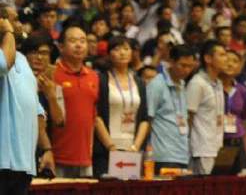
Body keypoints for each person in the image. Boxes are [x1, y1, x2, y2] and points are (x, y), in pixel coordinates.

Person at [0, 9, 51, 195]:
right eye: (14, 20)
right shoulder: (7, 57)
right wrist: (7, 31)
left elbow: (36, 108)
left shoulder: (21, 59)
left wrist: (46, 149)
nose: (20, 25)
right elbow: (3, 64)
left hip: (23, 164)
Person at [93, 37, 150, 177]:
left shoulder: (139, 82)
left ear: (132, 53)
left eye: (126, 49)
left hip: (132, 149)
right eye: (116, 49)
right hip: (107, 149)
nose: (122, 53)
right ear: (109, 54)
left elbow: (144, 119)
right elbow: (96, 116)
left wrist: (135, 147)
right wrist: (111, 147)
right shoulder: (101, 79)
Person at [51, 25, 99, 178]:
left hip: (85, 159)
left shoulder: (94, 77)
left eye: (82, 41)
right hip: (56, 157)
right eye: (72, 41)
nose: (79, 45)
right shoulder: (52, 73)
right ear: (61, 47)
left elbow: (93, 117)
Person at [146, 45, 196, 174]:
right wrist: (147, 154)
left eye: (190, 66)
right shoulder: (157, 84)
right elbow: (147, 120)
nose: (187, 70)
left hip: (182, 154)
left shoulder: (182, 84)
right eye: (183, 65)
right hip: (163, 155)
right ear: (171, 62)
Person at [186, 40, 228, 175]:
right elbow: (188, 117)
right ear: (208, 58)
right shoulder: (197, 83)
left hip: (217, 147)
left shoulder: (219, 83)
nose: (226, 59)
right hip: (201, 149)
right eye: (221, 55)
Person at [220, 49, 246, 171]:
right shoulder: (211, 87)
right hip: (217, 143)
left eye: (235, 61)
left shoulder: (243, 91)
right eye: (227, 60)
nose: (230, 64)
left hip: (238, 143)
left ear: (239, 67)